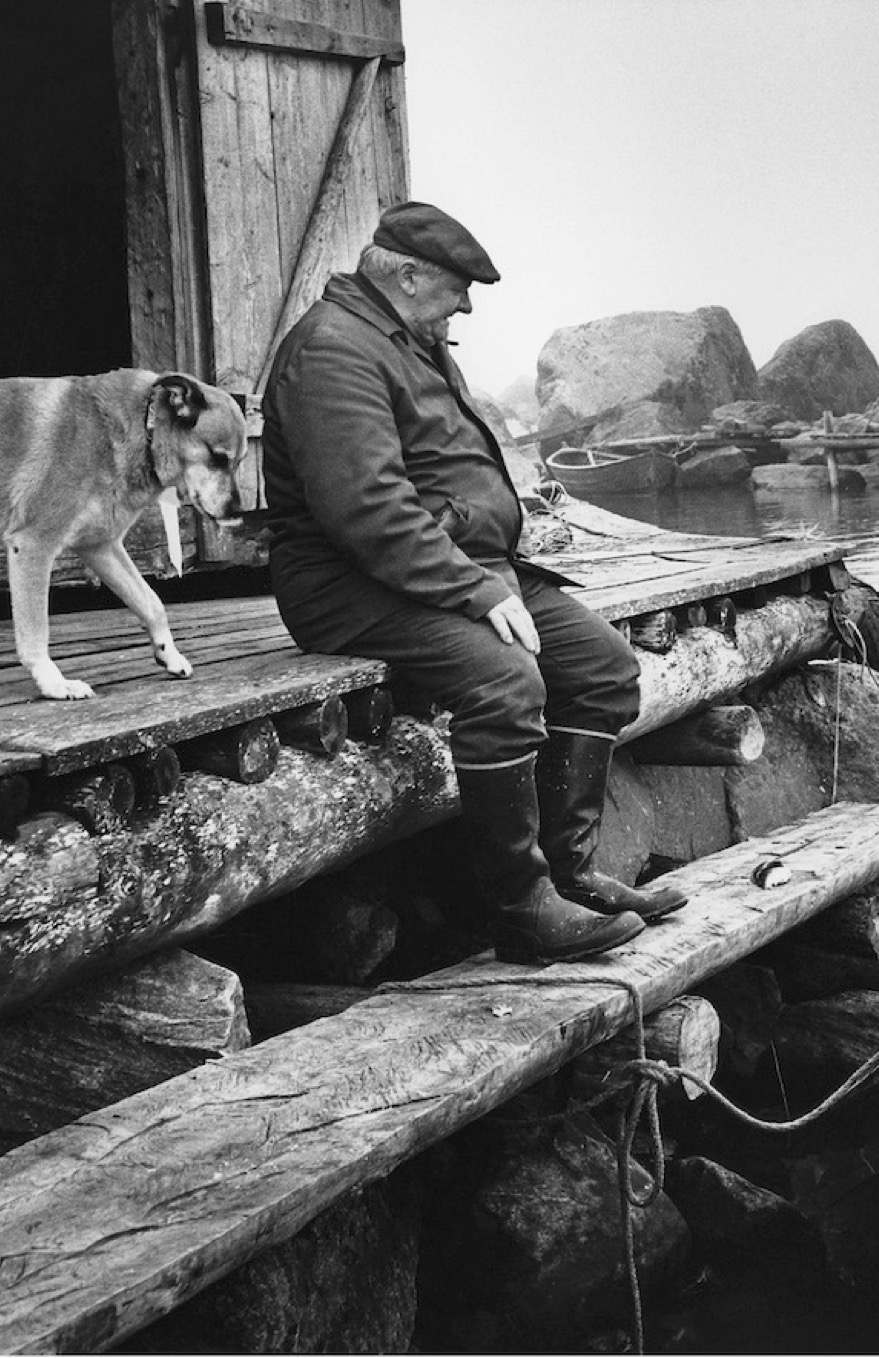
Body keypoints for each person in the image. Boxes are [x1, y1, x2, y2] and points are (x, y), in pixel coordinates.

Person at [260, 202, 685, 965]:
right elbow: (366, 512)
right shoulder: (331, 350)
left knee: (602, 668)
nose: (465, 306)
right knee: (504, 681)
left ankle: (571, 876)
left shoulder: (406, 338)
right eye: (457, 287)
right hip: (346, 585)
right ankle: (521, 908)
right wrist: (478, 591)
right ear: (406, 274)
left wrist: (488, 566)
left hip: (448, 568)